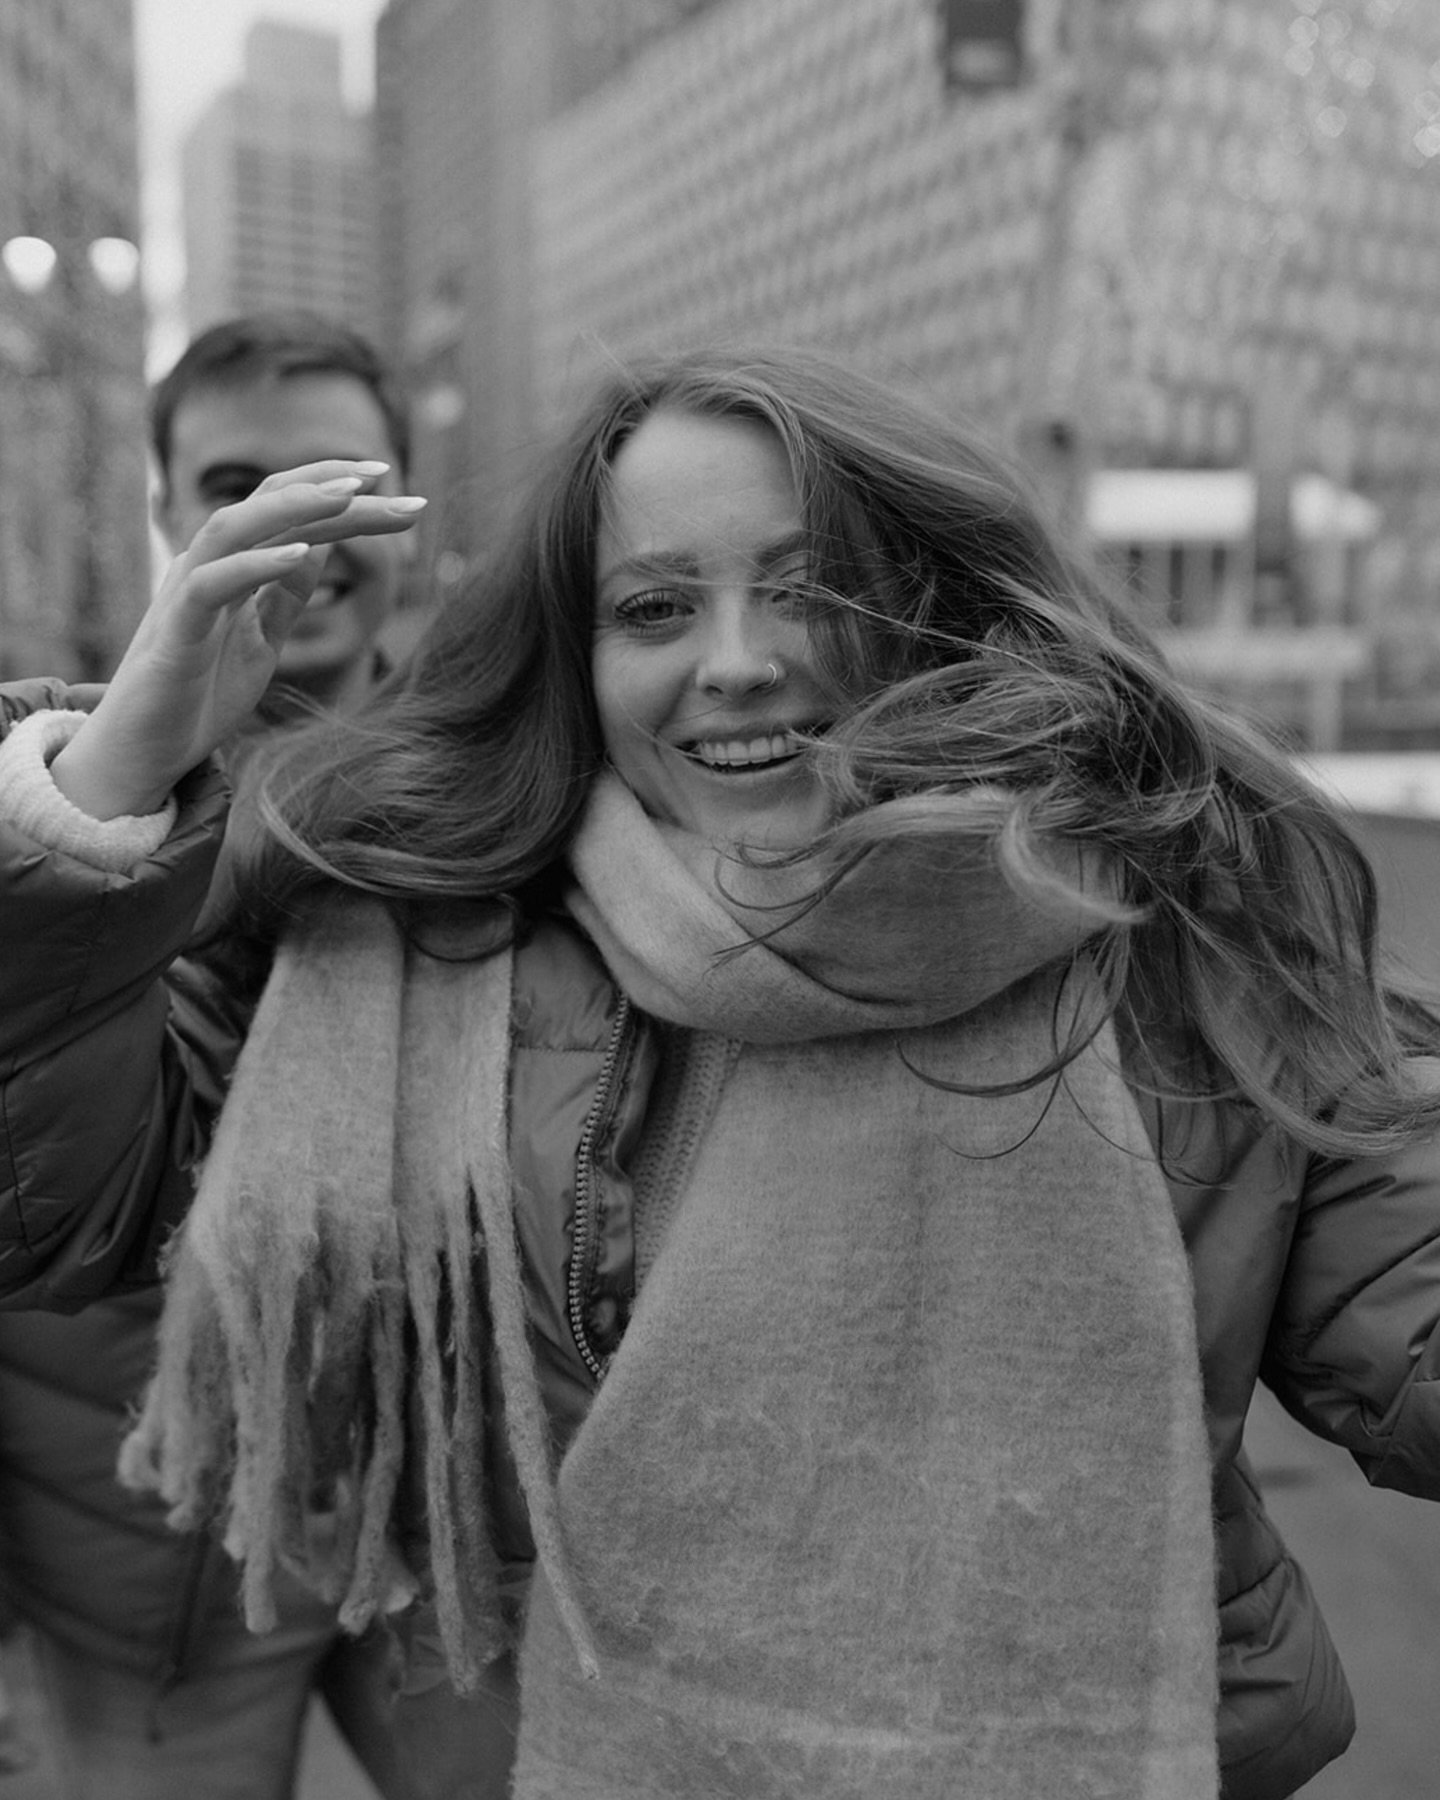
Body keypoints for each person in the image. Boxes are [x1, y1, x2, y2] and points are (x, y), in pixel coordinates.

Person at [2, 345, 1440, 1800]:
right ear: (583, 653)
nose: (738, 658)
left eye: (811, 585)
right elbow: (63, 1206)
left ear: (934, 601)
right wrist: (108, 781)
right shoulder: (425, 929)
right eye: (655, 607)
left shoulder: (1188, 936)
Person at [0, 311, 421, 1800]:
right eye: (243, 481)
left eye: (341, 482)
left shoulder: (521, 784)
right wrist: (125, 781)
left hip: (440, 1537)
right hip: (147, 1575)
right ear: (171, 509)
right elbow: (41, 1197)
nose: (299, 526)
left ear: (411, 524)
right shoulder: (56, 776)